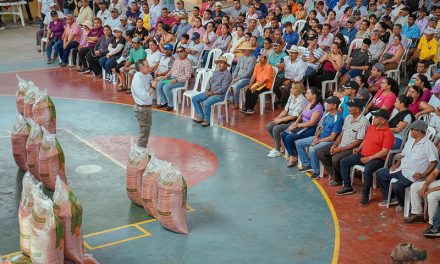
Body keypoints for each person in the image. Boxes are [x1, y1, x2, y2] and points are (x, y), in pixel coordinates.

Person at [336, 109, 395, 206]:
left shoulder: (388, 133)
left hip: (377, 159)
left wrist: (370, 158)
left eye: (376, 117)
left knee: (368, 170)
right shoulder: (372, 127)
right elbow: (365, 140)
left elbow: (384, 151)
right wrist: (359, 148)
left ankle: (365, 195)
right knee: (344, 161)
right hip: (363, 155)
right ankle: (347, 186)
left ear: (383, 121)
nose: (374, 119)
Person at [377, 120, 438, 211]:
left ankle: (403, 204)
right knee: (381, 173)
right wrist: (397, 164)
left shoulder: (428, 145)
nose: (410, 131)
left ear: (419, 131)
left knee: (397, 186)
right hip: (401, 169)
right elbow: (403, 155)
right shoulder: (410, 141)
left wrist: (423, 175)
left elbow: (434, 162)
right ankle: (391, 198)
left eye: (412, 129)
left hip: (412, 174)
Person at [318, 98, 369, 186]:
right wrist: (335, 145)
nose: (348, 108)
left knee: (335, 158)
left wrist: (340, 149)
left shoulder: (364, 122)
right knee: (321, 152)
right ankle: (336, 175)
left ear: (357, 109)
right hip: (341, 144)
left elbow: (358, 141)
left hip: (351, 148)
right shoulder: (348, 117)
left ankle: (338, 180)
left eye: (351, 106)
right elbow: (341, 134)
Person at [296, 96, 344, 179]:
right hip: (320, 138)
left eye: (328, 104)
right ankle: (307, 164)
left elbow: (332, 137)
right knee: (298, 143)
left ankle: (316, 171)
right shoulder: (327, 114)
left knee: (312, 148)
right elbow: (321, 127)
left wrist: (319, 141)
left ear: (334, 105)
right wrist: (316, 136)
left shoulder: (338, 118)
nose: (326, 105)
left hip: (329, 141)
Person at [281, 87, 324, 167]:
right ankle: (293, 155)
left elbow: (311, 123)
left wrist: (297, 125)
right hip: (302, 125)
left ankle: (293, 156)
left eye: (308, 93)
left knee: (289, 137)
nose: (306, 94)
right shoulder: (307, 103)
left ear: (314, 95)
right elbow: (301, 114)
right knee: (283, 134)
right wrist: (296, 122)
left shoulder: (318, 107)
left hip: (311, 128)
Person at [267, 82, 307, 158]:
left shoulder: (302, 100)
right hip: (288, 117)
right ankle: (279, 147)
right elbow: (285, 110)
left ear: (298, 90)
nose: (290, 89)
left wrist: (280, 120)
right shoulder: (291, 96)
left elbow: (294, 116)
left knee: (276, 128)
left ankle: (277, 150)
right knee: (269, 126)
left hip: (295, 121)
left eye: (292, 88)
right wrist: (278, 118)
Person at [192, 56, 232, 127]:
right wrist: (207, 90)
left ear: (225, 65)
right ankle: (201, 116)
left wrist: (212, 93)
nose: (219, 64)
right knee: (194, 98)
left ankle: (207, 120)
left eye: (221, 63)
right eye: (218, 63)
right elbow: (210, 82)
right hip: (210, 92)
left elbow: (223, 89)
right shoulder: (216, 72)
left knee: (206, 103)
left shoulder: (227, 75)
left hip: (219, 95)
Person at [156, 46, 192, 111]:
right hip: (171, 79)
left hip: (180, 81)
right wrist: (167, 75)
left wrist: (176, 80)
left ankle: (171, 105)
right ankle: (164, 102)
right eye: (178, 52)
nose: (179, 53)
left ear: (185, 52)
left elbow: (188, 76)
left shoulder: (187, 62)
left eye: (181, 51)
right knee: (159, 84)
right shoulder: (177, 60)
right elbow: (172, 69)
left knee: (166, 87)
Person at [131, 59, 153, 148]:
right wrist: (153, 87)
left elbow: (150, 77)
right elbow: (144, 97)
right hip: (143, 109)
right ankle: (140, 155)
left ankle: (141, 152)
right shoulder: (137, 80)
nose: (149, 68)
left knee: (145, 132)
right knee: (144, 134)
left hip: (144, 108)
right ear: (141, 68)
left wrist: (159, 77)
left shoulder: (144, 75)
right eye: (147, 66)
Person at [230, 42, 257, 108]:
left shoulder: (253, 58)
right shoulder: (241, 56)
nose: (243, 51)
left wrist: (237, 79)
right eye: (242, 49)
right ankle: (231, 100)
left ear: (250, 50)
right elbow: (237, 68)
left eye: (245, 49)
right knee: (228, 84)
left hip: (247, 79)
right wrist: (234, 76)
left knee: (236, 86)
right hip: (238, 77)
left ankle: (236, 104)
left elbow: (249, 73)